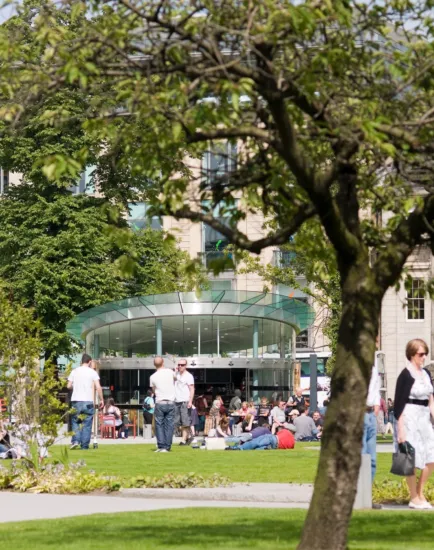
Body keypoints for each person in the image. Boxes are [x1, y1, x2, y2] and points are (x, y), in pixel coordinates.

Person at [394, 338, 434, 509]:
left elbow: (431, 397)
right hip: (409, 415)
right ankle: (413, 496)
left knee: (430, 456)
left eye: (425, 353)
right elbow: (399, 403)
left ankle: (420, 492)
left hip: (424, 416)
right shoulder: (405, 375)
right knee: (410, 456)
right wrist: (400, 429)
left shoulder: (426, 374)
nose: (423, 357)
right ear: (412, 354)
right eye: (420, 354)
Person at [67, 353, 103, 450]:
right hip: (88, 401)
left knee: (75, 421)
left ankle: (75, 440)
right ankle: (84, 445)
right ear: (90, 362)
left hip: (76, 400)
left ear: (81, 361)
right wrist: (101, 399)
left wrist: (75, 387)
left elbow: (68, 386)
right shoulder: (92, 372)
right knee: (87, 424)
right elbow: (98, 387)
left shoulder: (74, 371)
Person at [150, 356, 175, 453]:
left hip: (160, 402)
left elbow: (153, 390)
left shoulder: (153, 377)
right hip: (171, 401)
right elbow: (176, 378)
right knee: (170, 424)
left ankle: (161, 446)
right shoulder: (169, 372)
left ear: (154, 365)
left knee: (159, 424)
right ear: (163, 362)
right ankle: (167, 446)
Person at [363, 355, 381, 483]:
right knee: (361, 455)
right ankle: (358, 495)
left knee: (372, 459)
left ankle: (367, 495)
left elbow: (375, 387)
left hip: (371, 413)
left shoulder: (373, 363)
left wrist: (377, 403)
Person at [174, 358, 195, 445]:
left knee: (185, 422)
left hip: (184, 401)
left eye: (182, 365)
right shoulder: (176, 374)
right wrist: (174, 372)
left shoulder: (189, 376)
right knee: (177, 422)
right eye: (179, 364)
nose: (180, 366)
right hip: (176, 401)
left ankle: (183, 439)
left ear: (185, 366)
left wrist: (190, 401)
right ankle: (189, 436)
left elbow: (192, 389)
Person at [228, 427, 295, 451]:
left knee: (255, 442)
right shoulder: (293, 442)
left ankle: (239, 448)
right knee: (258, 447)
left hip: (273, 438)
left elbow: (277, 434)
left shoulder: (286, 431)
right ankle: (265, 448)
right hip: (276, 447)